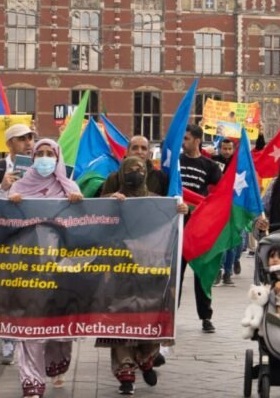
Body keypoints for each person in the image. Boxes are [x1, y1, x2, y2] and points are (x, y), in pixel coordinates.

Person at [97, 155, 186, 395]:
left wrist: (180, 211)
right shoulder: (112, 199)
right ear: (122, 173)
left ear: (146, 173)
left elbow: (171, 227)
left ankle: (147, 357)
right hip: (119, 270)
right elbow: (94, 216)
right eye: (130, 168)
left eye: (139, 168)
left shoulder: (158, 202)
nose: (135, 172)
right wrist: (108, 201)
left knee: (149, 313)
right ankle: (125, 370)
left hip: (149, 270)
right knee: (120, 315)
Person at [6, 139, 82, 396]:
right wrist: (10, 202)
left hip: (61, 272)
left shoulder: (70, 188)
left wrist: (78, 204)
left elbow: (86, 224)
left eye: (50, 153)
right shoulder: (19, 186)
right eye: (40, 153)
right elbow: (0, 221)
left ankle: (55, 365)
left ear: (58, 157)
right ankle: (32, 382)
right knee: (30, 326)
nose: (45, 158)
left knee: (59, 329)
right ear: (32, 156)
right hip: (27, 271)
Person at [0, 123, 35, 363]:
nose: (29, 143)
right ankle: (9, 340)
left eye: (31, 138)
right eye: (23, 139)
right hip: (5, 237)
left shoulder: (42, 166)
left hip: (34, 236)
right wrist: (3, 188)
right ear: (9, 144)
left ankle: (30, 340)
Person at [178, 125, 223, 333]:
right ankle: (169, 313)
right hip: (177, 226)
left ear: (197, 141)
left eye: (186, 138)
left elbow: (220, 193)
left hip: (198, 228)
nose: (183, 142)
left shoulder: (210, 166)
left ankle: (206, 317)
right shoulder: (175, 162)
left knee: (202, 274)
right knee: (175, 273)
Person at [100, 136, 169, 196]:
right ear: (126, 152)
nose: (139, 152)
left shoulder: (160, 178)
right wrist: (111, 197)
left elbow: (167, 204)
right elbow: (102, 204)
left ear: (149, 154)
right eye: (135, 148)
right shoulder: (113, 178)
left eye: (143, 148)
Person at [214, 138, 241, 286]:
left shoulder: (238, 162)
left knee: (232, 243)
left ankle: (228, 273)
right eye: (224, 148)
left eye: (229, 149)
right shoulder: (214, 161)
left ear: (233, 149)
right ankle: (218, 270)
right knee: (220, 242)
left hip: (234, 206)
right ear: (219, 148)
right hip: (218, 206)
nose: (226, 151)